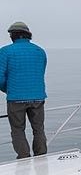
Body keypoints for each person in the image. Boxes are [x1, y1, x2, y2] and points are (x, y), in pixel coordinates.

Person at [0, 21, 48, 159]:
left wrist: (8, 89)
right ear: (28, 35)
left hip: (16, 98)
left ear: (13, 35)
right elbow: (40, 72)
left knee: (17, 130)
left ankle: (24, 158)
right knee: (38, 129)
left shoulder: (4, 52)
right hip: (38, 97)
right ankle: (41, 157)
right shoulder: (40, 51)